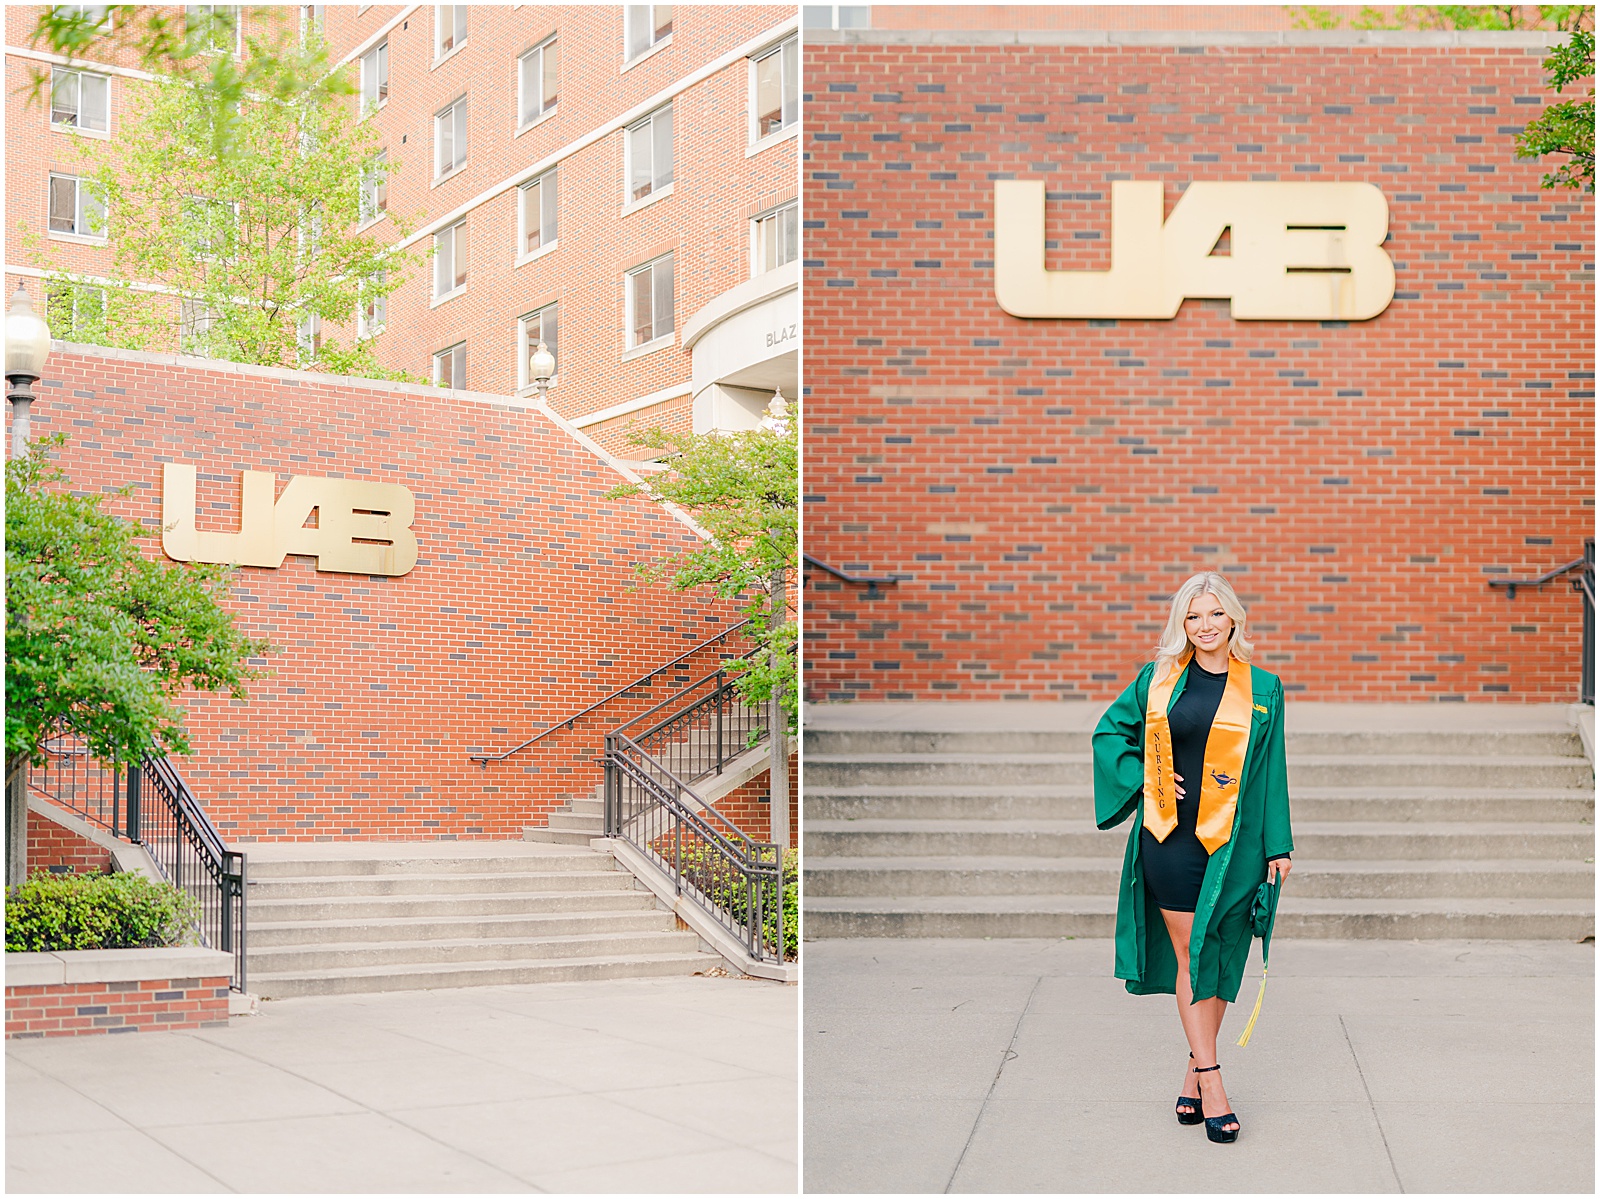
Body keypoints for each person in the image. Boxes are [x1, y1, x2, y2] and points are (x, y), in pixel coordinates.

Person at [1091, 571, 1294, 1144]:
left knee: (1221, 953)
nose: (1204, 626)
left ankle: (1189, 1077)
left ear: (1234, 619)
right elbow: (1110, 736)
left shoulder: (1263, 688)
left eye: (1214, 614)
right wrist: (1149, 779)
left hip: (1237, 842)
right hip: (1171, 838)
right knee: (1190, 952)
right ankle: (1212, 1078)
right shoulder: (1157, 680)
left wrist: (1278, 843)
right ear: (1182, 624)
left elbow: (1272, 769)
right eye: (1193, 616)